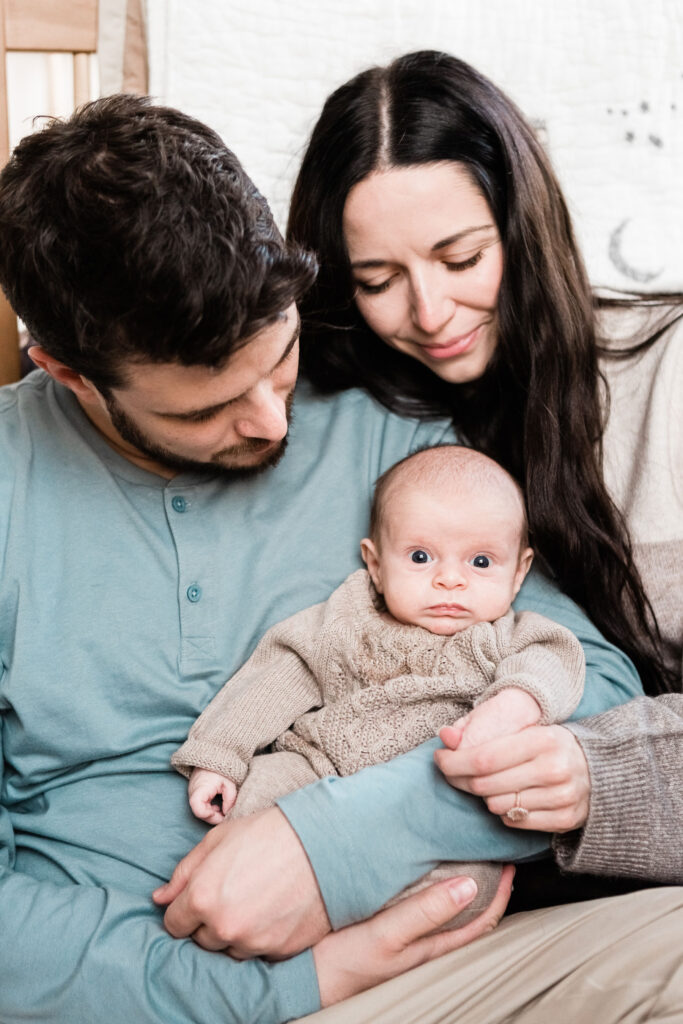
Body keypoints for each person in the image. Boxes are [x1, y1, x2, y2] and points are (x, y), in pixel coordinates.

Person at [0, 94, 667, 1024]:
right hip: (132, 993)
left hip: (440, 972)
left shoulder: (389, 437)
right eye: (203, 410)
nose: (273, 423)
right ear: (66, 372)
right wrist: (276, 988)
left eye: (279, 361)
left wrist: (335, 841)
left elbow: (590, 685)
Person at [172, 444, 585, 927]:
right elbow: (280, 673)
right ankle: (261, 904)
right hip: (319, 764)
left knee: (471, 884)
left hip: (432, 798)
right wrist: (220, 754)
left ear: (518, 574)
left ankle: (344, 916)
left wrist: (514, 704)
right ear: (375, 564)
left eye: (480, 562)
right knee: (245, 806)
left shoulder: (504, 637)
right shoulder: (346, 619)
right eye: (421, 556)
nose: (450, 579)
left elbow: (556, 656)